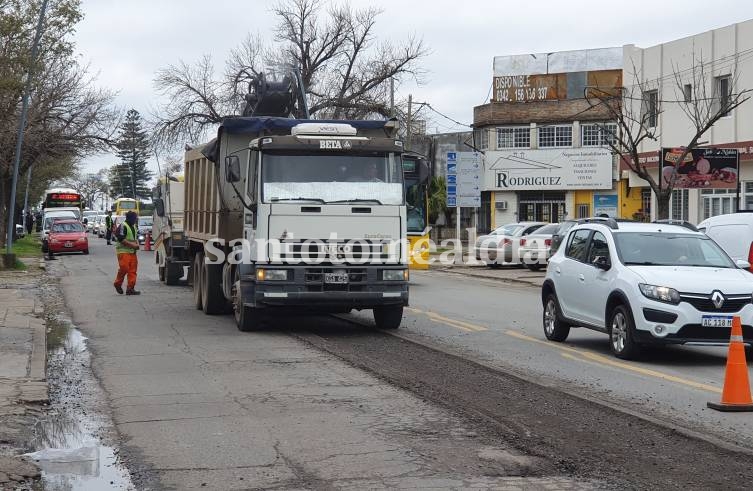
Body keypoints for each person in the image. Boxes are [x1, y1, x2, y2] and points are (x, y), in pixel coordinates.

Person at [113, 211, 140, 295]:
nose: (136, 220)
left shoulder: (134, 226)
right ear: (130, 218)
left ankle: (130, 288)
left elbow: (135, 238)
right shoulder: (123, 226)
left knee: (132, 270)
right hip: (123, 251)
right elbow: (121, 239)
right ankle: (117, 284)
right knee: (124, 268)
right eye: (135, 218)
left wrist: (137, 244)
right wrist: (133, 245)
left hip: (132, 252)